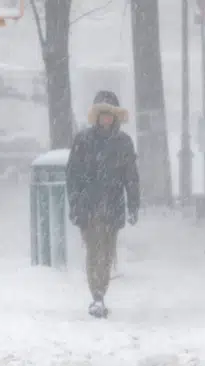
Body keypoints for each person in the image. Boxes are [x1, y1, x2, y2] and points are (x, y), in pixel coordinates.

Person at [66, 90, 141, 320]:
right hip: (89, 206)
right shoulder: (83, 141)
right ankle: (97, 295)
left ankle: (100, 292)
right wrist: (75, 203)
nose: (106, 119)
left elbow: (131, 177)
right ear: (96, 116)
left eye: (109, 114)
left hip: (113, 206)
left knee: (107, 252)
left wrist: (133, 205)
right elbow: (73, 175)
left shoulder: (123, 143)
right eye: (103, 114)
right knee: (94, 250)